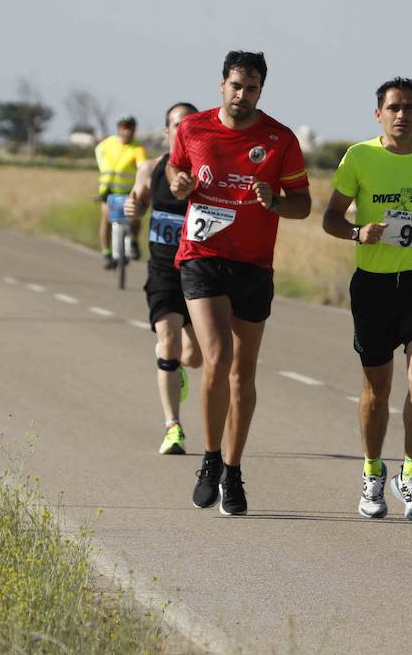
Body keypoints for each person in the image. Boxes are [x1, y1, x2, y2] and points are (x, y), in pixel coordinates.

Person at [168, 51, 310, 515]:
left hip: (252, 263)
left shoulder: (279, 139)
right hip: (202, 255)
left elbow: (303, 205)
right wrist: (179, 184)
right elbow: (175, 169)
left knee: (242, 372)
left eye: (251, 88)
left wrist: (273, 201)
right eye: (235, 86)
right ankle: (209, 461)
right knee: (217, 356)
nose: (242, 95)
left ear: (261, 90)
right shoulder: (193, 129)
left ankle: (233, 468)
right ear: (221, 85)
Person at [321, 78, 412, 522]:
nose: (402, 114)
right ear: (378, 114)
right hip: (374, 284)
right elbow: (330, 218)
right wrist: (357, 232)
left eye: (410, 107)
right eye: (394, 107)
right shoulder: (359, 157)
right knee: (377, 387)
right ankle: (372, 472)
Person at [125, 101, 203, 455]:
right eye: (177, 125)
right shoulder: (150, 170)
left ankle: (176, 372)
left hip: (199, 272)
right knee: (168, 343)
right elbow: (137, 203)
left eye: (191, 125)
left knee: (197, 357)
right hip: (162, 273)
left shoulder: (206, 174)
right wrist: (132, 211)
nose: (183, 131)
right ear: (167, 132)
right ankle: (173, 426)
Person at [95, 116, 148, 269]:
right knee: (106, 218)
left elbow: (142, 166)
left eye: (131, 128)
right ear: (119, 128)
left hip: (130, 192)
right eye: (125, 127)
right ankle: (106, 252)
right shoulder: (108, 143)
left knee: (136, 215)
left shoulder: (138, 149)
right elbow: (98, 151)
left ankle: (133, 242)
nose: (128, 131)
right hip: (108, 191)